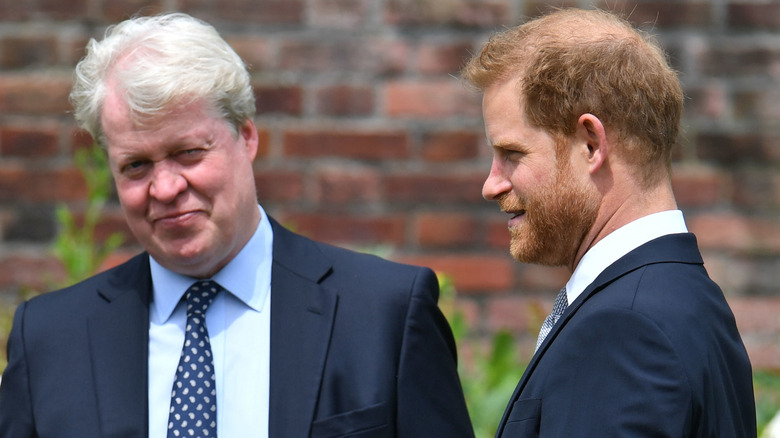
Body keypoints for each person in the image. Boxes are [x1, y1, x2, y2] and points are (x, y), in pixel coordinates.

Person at [0, 12, 474, 438]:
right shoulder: (49, 339)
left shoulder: (383, 315)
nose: (164, 188)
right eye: (136, 166)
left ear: (246, 136)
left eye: (188, 153)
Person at [461, 8, 756, 438]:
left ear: (591, 144)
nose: (491, 185)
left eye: (513, 154)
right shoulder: (687, 301)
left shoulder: (624, 330)